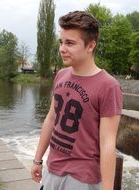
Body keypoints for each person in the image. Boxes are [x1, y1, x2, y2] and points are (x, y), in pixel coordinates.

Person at [31, 10, 123, 190]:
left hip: (82, 178)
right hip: (53, 169)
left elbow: (107, 143)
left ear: (90, 46)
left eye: (70, 43)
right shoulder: (61, 75)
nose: (62, 48)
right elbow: (51, 119)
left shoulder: (108, 86)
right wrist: (37, 159)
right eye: (61, 42)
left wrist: (108, 188)